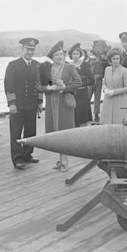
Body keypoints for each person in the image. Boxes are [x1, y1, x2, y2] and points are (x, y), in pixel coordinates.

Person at [37, 41, 81, 172]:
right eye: (57, 54)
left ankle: (65, 161)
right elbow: (39, 87)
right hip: (51, 103)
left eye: (61, 54)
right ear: (52, 57)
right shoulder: (47, 69)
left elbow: (78, 82)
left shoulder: (69, 67)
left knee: (64, 130)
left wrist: (65, 88)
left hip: (64, 103)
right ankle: (60, 159)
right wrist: (49, 87)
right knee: (55, 130)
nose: (60, 57)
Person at [4, 38, 43, 170]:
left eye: (32, 50)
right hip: (18, 105)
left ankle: (27, 155)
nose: (30, 52)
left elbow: (40, 85)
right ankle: (17, 158)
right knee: (16, 132)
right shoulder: (13, 65)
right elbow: (8, 85)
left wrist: (40, 101)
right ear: (22, 49)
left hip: (32, 104)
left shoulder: (37, 65)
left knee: (31, 131)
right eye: (27, 49)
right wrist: (11, 103)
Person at [101, 47, 127, 124]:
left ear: (120, 59)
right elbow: (104, 82)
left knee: (120, 122)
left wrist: (114, 92)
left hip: (120, 100)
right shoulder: (107, 69)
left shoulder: (124, 71)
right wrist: (105, 89)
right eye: (113, 59)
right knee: (107, 121)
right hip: (108, 100)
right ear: (110, 60)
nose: (115, 61)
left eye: (117, 59)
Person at [69, 42, 95, 127]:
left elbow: (92, 80)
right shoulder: (69, 66)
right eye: (73, 54)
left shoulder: (84, 65)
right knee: (73, 118)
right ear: (71, 55)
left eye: (77, 53)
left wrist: (80, 84)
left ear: (80, 54)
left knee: (83, 118)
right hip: (73, 95)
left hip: (83, 94)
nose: (75, 56)